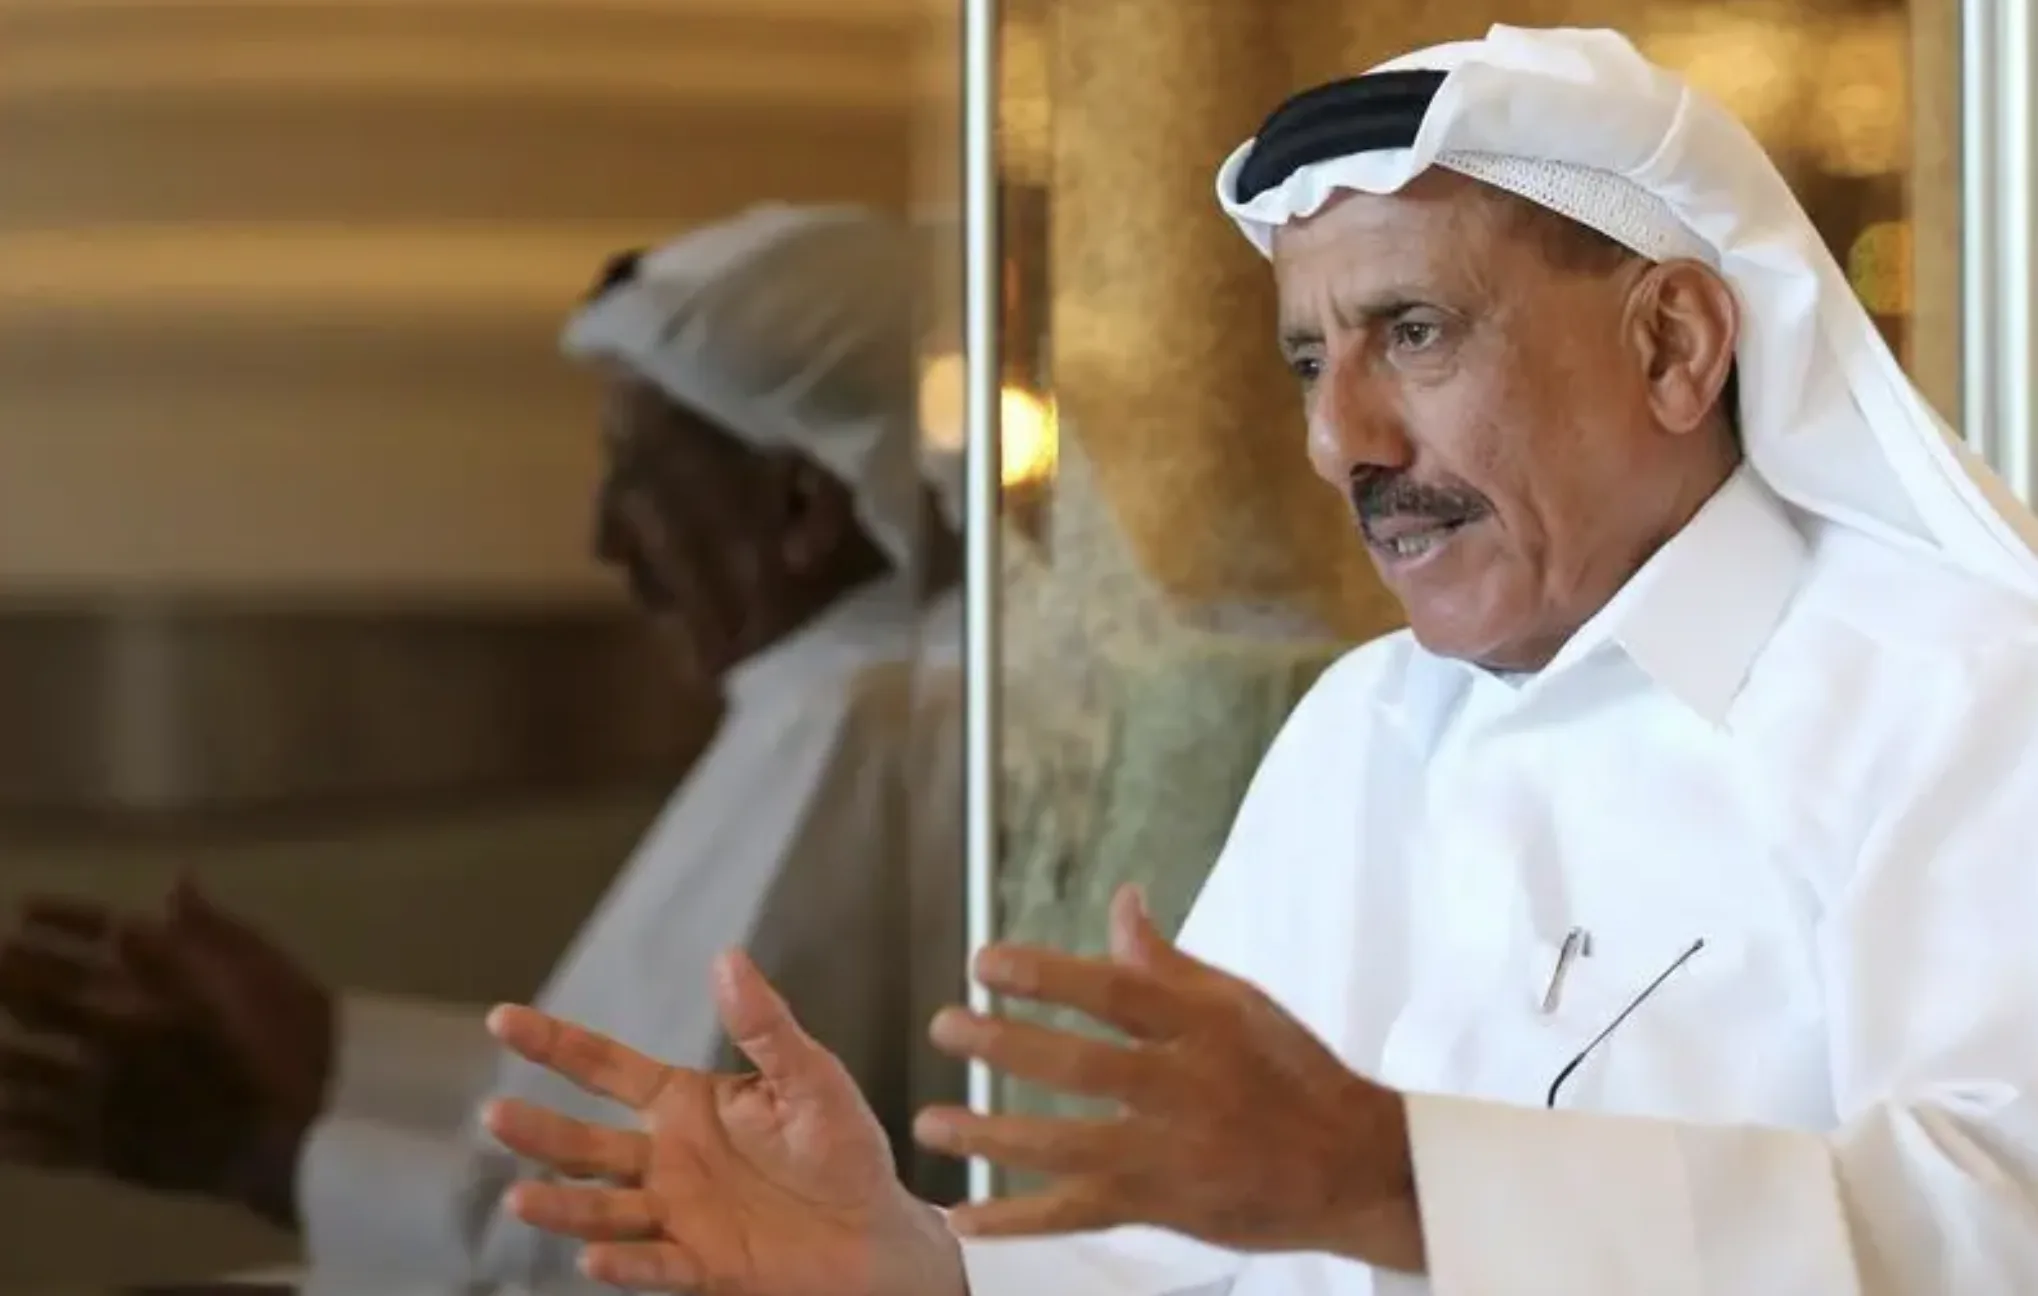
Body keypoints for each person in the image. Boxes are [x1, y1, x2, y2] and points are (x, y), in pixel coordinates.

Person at [471, 25, 2038, 1296]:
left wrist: (1397, 1185)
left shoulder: (1969, 693)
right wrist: (919, 1270)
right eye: (1308, 359)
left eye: (1413, 332)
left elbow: (1997, 1224)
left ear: (1672, 346)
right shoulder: (1364, 727)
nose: (1340, 442)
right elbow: (1181, 1257)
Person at [0, 204, 968, 1284]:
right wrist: (332, 1054)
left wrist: (260, 1154)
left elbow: (648, 1252)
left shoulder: (858, 727)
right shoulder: (836, 702)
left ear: (800, 508)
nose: (606, 540)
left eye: (638, 480)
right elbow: (634, 1107)